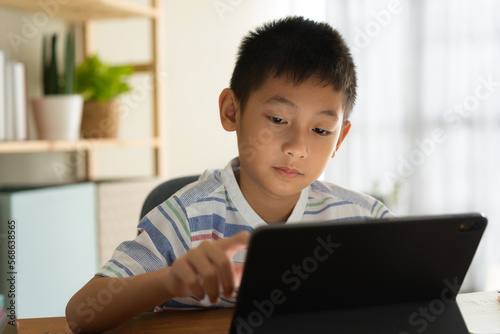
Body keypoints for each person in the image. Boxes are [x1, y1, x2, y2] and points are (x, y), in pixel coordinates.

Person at [66, 16, 391, 332]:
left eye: (320, 129)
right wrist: (170, 279)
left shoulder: (364, 221)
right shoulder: (189, 218)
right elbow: (81, 314)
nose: (297, 148)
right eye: (278, 120)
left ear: (340, 139)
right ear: (231, 110)